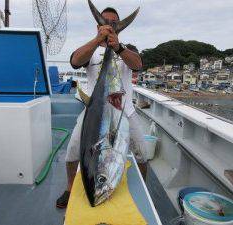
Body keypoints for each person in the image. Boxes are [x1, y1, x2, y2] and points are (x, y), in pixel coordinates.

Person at [56, 7, 148, 209]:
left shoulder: (127, 47)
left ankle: (143, 189)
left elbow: (138, 65)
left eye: (114, 22)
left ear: (119, 28)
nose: (110, 24)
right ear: (98, 26)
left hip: (124, 110)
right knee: (72, 150)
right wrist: (98, 41)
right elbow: (74, 61)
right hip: (94, 111)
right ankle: (70, 187)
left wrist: (119, 48)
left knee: (142, 152)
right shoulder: (91, 50)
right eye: (105, 21)